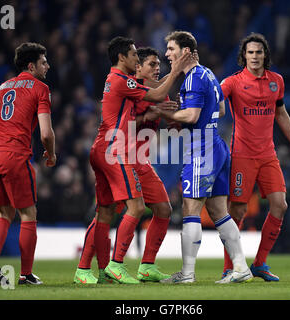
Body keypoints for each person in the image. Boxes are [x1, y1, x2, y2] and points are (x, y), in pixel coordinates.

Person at [83, 36, 191, 284]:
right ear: (137, 67)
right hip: (121, 157)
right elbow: (128, 123)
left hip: (140, 160)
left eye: (158, 64)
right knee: (114, 211)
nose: (157, 68)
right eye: (151, 64)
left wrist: (178, 119)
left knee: (163, 209)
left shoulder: (153, 94)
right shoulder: (134, 90)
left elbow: (171, 124)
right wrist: (151, 113)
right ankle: (109, 265)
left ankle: (147, 266)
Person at [151, 30, 252, 284]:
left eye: (171, 49)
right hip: (216, 145)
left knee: (190, 207)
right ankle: (241, 268)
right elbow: (219, 107)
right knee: (219, 210)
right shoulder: (208, 73)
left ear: (185, 52)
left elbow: (192, 116)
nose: (167, 55)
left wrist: (166, 114)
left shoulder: (193, 78)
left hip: (202, 149)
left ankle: (187, 274)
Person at [219, 32, 290, 281]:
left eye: (259, 52)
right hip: (242, 155)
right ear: (243, 56)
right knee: (237, 210)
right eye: (250, 52)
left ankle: (259, 263)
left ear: (265, 55)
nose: (255, 56)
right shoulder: (233, 82)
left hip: (268, 154)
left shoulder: (276, 81)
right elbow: (215, 100)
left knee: (280, 205)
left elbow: (281, 114)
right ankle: (231, 267)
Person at [0, 42, 56, 286]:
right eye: (44, 62)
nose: (48, 66)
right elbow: (46, 133)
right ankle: (26, 275)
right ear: (31, 66)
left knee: (4, 213)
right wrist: (51, 154)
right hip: (13, 155)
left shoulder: (1, 88)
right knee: (28, 214)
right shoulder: (40, 88)